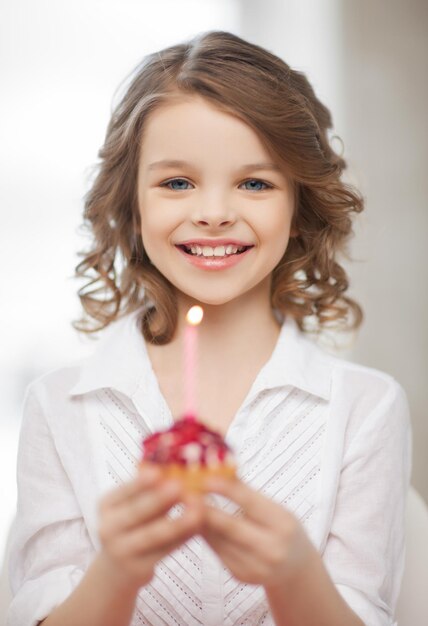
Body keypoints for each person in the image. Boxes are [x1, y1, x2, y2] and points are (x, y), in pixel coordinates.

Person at [7, 30, 412, 626]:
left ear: (299, 204)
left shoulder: (367, 408)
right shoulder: (58, 407)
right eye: (177, 182)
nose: (215, 212)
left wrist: (295, 574)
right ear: (131, 201)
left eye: (255, 182)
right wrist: (115, 573)